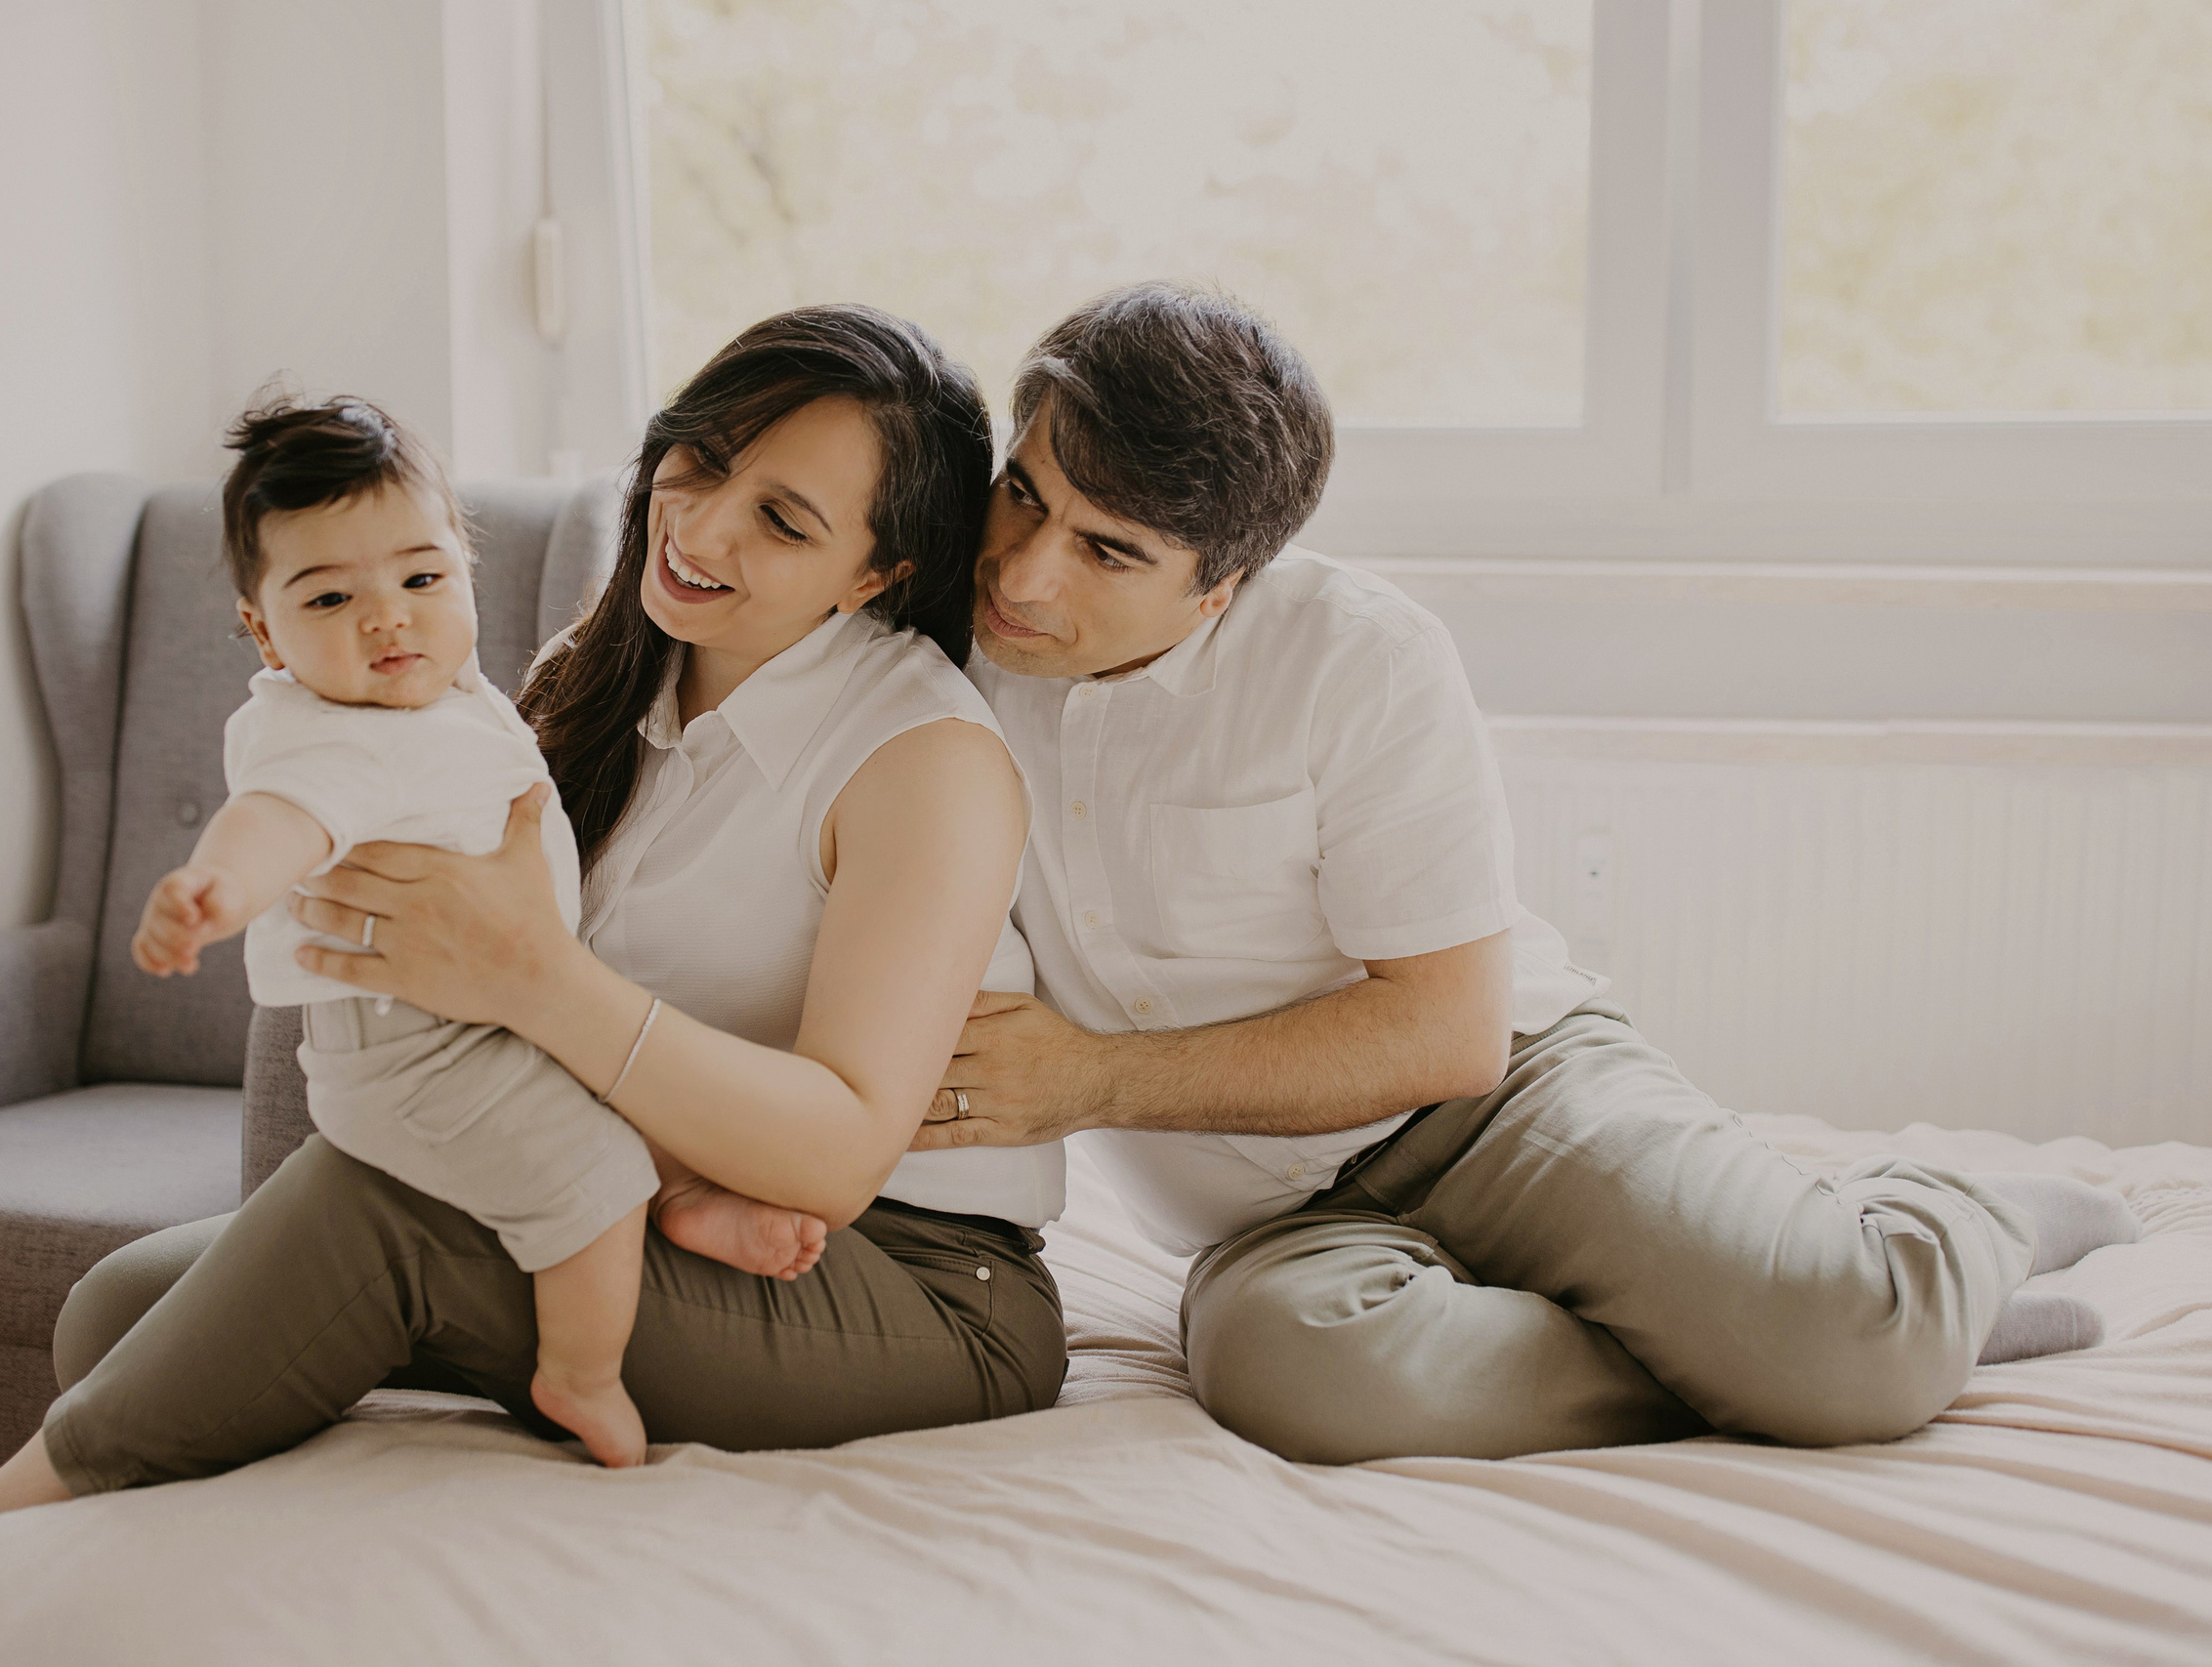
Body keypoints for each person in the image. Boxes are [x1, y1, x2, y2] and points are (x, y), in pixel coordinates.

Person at [912, 280, 2145, 1465]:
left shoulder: (1358, 658)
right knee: (1290, 1375)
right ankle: (1765, 1341)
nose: (1020, 572)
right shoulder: (938, 639)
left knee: (1849, 1358)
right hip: (1277, 1225)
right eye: (1022, 492)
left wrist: (1089, 1081)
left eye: (1107, 552)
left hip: (1503, 1106)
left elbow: (1447, 1037)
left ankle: (1933, 1241)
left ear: (1220, 588)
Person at [0, 303, 1065, 1535]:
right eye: (704, 460)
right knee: (120, 1309)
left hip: (912, 1282)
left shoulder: (922, 757)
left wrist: (530, 976)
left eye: (784, 521)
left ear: (878, 572)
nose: (701, 526)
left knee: (375, 1226)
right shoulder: (612, 668)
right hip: (648, 1181)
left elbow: (839, 1153)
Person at [127, 393, 832, 1470]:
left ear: (465, 568)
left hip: (484, 1017)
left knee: (616, 1092)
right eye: (330, 597)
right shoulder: (334, 737)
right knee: (585, 1172)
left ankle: (684, 1199)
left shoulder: (444, 697)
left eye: (420, 578)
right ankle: (581, 1372)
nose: (388, 618)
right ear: (263, 628)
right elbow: (275, 818)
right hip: (419, 1057)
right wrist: (212, 889)